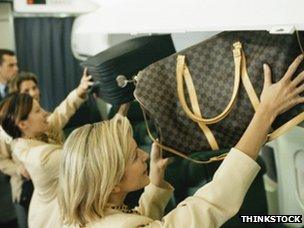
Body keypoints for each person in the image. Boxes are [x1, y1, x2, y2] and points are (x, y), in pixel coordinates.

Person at [58, 55, 304, 227]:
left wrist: (154, 187)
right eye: (135, 157)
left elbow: (137, 221)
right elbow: (212, 202)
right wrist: (265, 113)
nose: (144, 156)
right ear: (112, 184)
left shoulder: (87, 217)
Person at [0, 68, 93, 228]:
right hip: (25, 187)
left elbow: (62, 112)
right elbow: (2, 160)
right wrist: (18, 168)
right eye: (26, 90)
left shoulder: (42, 121)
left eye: (34, 88)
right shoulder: (10, 134)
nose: (33, 93)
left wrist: (80, 90)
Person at [0, 49, 19, 228]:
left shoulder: (17, 94)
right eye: (11, 65)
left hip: (15, 166)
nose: (16, 69)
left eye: (16, 64)